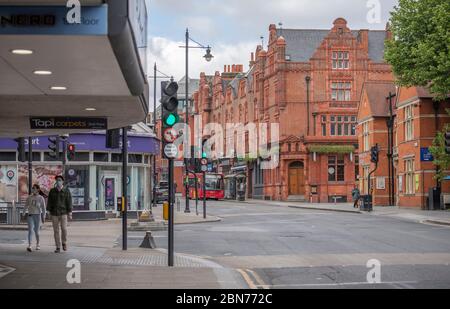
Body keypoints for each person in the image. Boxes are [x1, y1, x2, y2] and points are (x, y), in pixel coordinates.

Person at [47, 176, 72, 253]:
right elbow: (49, 201)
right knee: (56, 231)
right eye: (57, 180)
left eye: (60, 180)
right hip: (54, 213)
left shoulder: (66, 191)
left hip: (63, 213)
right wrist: (48, 211)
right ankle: (58, 246)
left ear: (62, 182)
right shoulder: (52, 191)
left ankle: (64, 243)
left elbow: (69, 201)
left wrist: (70, 212)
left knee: (64, 229)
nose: (58, 181)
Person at [24, 184, 46, 252]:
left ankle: (38, 244)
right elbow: (26, 205)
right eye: (32, 188)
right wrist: (24, 212)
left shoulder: (41, 198)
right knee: (30, 230)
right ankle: (30, 245)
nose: (32, 189)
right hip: (30, 215)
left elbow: (43, 208)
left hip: (38, 215)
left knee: (37, 232)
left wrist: (44, 216)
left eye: (34, 188)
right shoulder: (29, 197)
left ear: (38, 189)